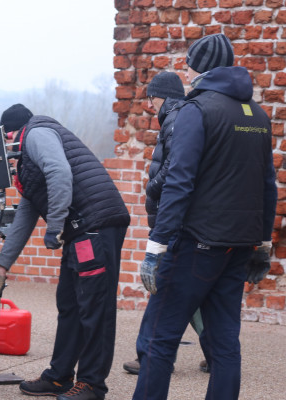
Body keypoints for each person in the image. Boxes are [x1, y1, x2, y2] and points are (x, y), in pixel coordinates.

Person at [133, 33, 276, 400]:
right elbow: (266, 184)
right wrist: (263, 243)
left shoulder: (197, 110)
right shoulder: (257, 115)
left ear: (198, 67)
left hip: (194, 245)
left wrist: (156, 246)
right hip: (239, 245)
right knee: (225, 343)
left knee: (160, 341)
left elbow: (179, 181)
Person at [0, 104, 130, 400]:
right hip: (80, 229)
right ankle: (59, 377)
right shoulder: (28, 160)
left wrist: (53, 226)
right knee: (70, 305)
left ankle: (92, 385)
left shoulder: (36, 133)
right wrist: (2, 265)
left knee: (95, 309)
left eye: (7, 138)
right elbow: (26, 213)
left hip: (95, 226)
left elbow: (59, 172)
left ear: (12, 132)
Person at [122, 72, 210, 375]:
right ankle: (212, 352)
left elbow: (175, 168)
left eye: (152, 98)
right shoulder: (180, 116)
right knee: (190, 295)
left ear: (162, 97)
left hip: (173, 224)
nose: (149, 105)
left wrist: (153, 186)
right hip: (184, 224)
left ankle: (150, 357)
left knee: (163, 289)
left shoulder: (174, 117)